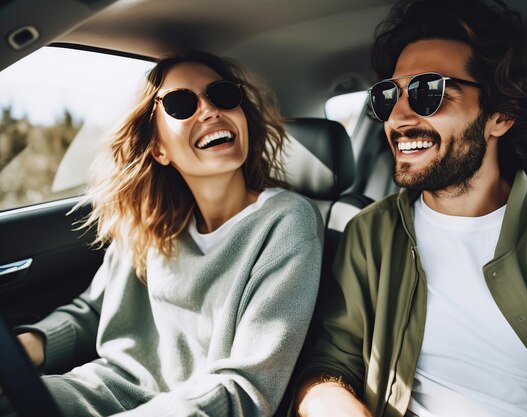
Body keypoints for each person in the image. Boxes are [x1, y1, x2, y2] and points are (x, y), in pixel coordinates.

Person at [292, 0, 527, 416]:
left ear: (501, 114)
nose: (397, 116)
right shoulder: (369, 233)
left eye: (428, 92)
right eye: (387, 96)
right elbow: (330, 365)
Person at [0, 51, 324, 417]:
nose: (210, 110)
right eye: (181, 103)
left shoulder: (286, 221)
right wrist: (23, 349)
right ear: (158, 148)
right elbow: (93, 310)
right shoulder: (150, 221)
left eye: (222, 95)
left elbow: (246, 387)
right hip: (105, 386)